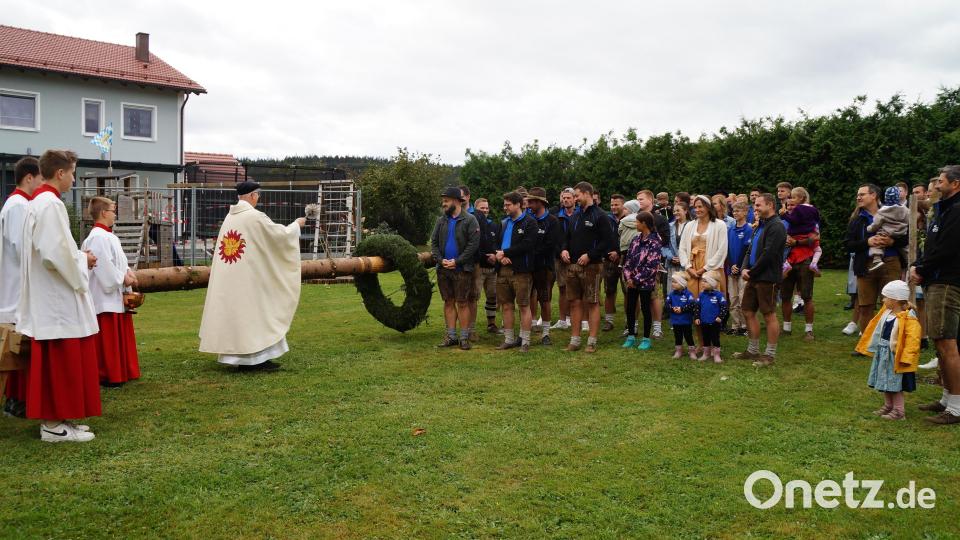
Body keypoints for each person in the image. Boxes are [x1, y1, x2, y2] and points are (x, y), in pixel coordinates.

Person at [17, 150, 100, 442]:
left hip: (50, 293)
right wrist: (82, 262)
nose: (74, 179)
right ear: (61, 173)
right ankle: (52, 425)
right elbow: (54, 254)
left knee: (61, 357)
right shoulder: (49, 204)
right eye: (73, 173)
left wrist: (76, 256)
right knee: (60, 358)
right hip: (55, 297)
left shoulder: (38, 202)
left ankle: (60, 419)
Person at [199, 181, 307, 368]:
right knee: (254, 312)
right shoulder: (254, 217)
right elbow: (279, 236)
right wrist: (296, 225)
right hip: (248, 277)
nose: (258, 199)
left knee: (239, 314)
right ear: (253, 195)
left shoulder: (229, 218)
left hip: (231, 277)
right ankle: (254, 360)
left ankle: (239, 358)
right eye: (258, 195)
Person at [910, 165, 960, 424]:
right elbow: (932, 246)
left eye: (941, 181)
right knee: (941, 343)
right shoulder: (942, 210)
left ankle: (957, 407)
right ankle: (946, 398)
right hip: (935, 280)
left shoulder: (957, 211)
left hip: (947, 282)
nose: (936, 186)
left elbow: (948, 249)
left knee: (947, 342)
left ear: (956, 184)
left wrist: (921, 268)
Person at [80, 197, 140, 386]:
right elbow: (103, 266)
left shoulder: (109, 236)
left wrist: (128, 271)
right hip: (103, 297)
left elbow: (117, 261)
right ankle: (107, 373)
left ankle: (121, 370)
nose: (115, 214)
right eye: (113, 210)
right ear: (104, 213)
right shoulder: (97, 237)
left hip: (114, 295)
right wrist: (122, 278)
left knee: (116, 336)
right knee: (107, 339)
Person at [0, 157, 42, 418]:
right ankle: (15, 400)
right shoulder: (18, 206)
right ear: (29, 177)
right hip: (17, 287)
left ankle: (17, 399)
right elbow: (20, 247)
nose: (40, 184)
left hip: (17, 286)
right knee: (16, 348)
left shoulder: (16, 204)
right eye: (39, 179)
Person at [560, 181, 617, 353]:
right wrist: (563, 249)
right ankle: (575, 340)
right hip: (572, 266)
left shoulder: (600, 216)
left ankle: (591, 341)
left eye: (577, 195)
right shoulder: (575, 216)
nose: (575, 199)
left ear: (587, 194)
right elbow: (567, 237)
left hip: (592, 266)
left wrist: (590, 255)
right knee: (574, 302)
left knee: (592, 303)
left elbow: (607, 241)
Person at [733, 193, 787, 367]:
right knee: (748, 311)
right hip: (754, 276)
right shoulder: (760, 226)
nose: (754, 208)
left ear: (770, 205)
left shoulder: (777, 226)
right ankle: (753, 350)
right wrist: (744, 268)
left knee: (769, 314)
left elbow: (769, 254)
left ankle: (769, 355)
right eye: (754, 206)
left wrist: (752, 271)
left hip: (767, 278)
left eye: (758, 205)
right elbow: (750, 250)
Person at [847, 183, 907, 335]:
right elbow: (848, 244)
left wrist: (892, 242)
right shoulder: (857, 219)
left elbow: (907, 238)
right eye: (858, 195)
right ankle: (866, 343)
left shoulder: (895, 211)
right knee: (865, 306)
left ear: (873, 195)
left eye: (862, 194)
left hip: (891, 262)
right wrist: (867, 242)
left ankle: (888, 342)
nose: (858, 197)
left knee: (891, 304)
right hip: (865, 265)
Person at [855, 280, 920, 420]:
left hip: (896, 356)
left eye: (885, 297)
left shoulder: (908, 317)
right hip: (883, 352)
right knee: (884, 380)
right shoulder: (886, 312)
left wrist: (907, 357)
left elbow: (913, 339)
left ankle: (899, 411)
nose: (883, 299)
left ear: (895, 300)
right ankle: (888, 405)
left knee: (894, 383)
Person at [678, 195, 729, 353]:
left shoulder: (719, 225)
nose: (698, 210)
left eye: (701, 206)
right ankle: (702, 344)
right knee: (696, 308)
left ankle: (714, 344)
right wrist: (688, 267)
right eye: (695, 207)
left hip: (711, 270)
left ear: (708, 207)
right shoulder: (690, 225)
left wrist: (705, 268)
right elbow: (682, 249)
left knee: (711, 308)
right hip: (693, 270)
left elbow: (722, 250)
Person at [496, 191, 539, 352]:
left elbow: (528, 245)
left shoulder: (530, 223)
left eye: (508, 205)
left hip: (521, 271)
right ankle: (508, 339)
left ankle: (525, 341)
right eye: (504, 204)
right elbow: (497, 244)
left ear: (518, 204)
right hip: (502, 270)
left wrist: (506, 253)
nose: (505, 207)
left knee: (523, 305)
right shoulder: (504, 223)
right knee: (506, 305)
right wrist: (500, 256)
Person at [779, 187, 821, 341]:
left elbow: (815, 237)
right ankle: (786, 328)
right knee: (785, 296)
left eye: (793, 201)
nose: (791, 206)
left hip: (805, 258)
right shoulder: (787, 218)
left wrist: (796, 242)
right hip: (788, 258)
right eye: (788, 203)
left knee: (807, 296)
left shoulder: (801, 214)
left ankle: (809, 331)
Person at [621, 211, 662, 350]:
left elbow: (652, 265)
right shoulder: (635, 239)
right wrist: (628, 277)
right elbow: (628, 260)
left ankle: (646, 338)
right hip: (632, 281)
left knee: (645, 309)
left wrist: (636, 279)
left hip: (646, 282)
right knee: (631, 308)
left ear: (644, 223)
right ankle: (631, 335)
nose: (635, 224)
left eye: (637, 222)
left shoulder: (655, 241)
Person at [525, 188, 561, 345]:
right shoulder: (526, 219)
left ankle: (546, 333)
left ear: (540, 202)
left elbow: (550, 245)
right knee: (525, 299)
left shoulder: (552, 221)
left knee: (544, 299)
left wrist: (529, 252)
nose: (528, 204)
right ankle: (524, 332)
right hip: (527, 267)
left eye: (531, 202)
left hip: (545, 267)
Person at [636, 190, 671, 339]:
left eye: (642, 199)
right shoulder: (636, 217)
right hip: (637, 263)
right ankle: (636, 326)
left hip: (653, 263)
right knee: (638, 296)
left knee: (654, 295)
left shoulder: (660, 219)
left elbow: (665, 239)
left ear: (651, 200)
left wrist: (650, 245)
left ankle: (657, 328)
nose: (639, 202)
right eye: (637, 200)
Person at [550, 187, 579, 330]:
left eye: (568, 198)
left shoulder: (581, 214)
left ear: (575, 199)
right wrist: (561, 252)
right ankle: (562, 320)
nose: (566, 200)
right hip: (559, 258)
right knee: (562, 288)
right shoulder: (555, 216)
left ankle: (581, 320)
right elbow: (553, 238)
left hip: (577, 258)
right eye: (564, 197)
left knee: (579, 289)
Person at [473, 198, 500, 334]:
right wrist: (485, 257)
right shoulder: (473, 223)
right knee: (474, 296)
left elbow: (497, 244)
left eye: (486, 208)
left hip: (493, 267)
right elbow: (473, 246)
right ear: (475, 208)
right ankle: (471, 328)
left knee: (492, 295)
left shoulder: (494, 225)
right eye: (481, 208)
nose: (485, 210)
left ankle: (491, 324)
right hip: (478, 266)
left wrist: (495, 256)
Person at [866, 186, 909, 272]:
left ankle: (877, 259)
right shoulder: (905, 210)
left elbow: (876, 224)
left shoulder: (883, 211)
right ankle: (909, 261)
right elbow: (908, 220)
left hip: (886, 232)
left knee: (878, 242)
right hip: (901, 232)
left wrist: (869, 228)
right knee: (905, 249)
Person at [726, 201, 752, 336]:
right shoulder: (730, 230)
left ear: (746, 212)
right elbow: (728, 250)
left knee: (743, 299)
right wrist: (731, 266)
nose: (735, 213)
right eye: (734, 211)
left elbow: (747, 249)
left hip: (743, 270)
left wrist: (740, 267)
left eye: (739, 210)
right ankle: (735, 325)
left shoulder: (749, 229)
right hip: (731, 270)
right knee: (733, 298)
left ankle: (745, 326)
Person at [602, 195, 626, 331]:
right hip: (609, 260)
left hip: (624, 259)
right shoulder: (606, 219)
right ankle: (609, 320)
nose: (613, 207)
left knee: (628, 292)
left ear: (623, 205)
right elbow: (602, 238)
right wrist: (608, 253)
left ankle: (629, 321)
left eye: (616, 204)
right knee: (609, 291)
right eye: (612, 205)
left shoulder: (630, 220)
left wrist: (618, 252)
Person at [695, 274, 728, 363]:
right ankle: (706, 354)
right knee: (705, 337)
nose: (702, 283)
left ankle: (717, 354)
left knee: (715, 338)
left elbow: (724, 307)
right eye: (703, 281)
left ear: (712, 283)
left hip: (715, 322)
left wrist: (720, 317)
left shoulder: (719, 295)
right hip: (704, 321)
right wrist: (697, 317)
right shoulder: (701, 295)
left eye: (705, 281)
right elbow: (697, 307)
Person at [666, 274, 697, 359]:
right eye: (672, 282)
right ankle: (679, 351)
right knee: (677, 336)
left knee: (688, 336)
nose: (672, 284)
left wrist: (682, 309)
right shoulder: (671, 294)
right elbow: (667, 304)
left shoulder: (688, 294)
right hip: (675, 320)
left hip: (686, 320)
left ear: (682, 283)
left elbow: (691, 305)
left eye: (675, 282)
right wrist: (673, 309)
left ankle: (692, 351)